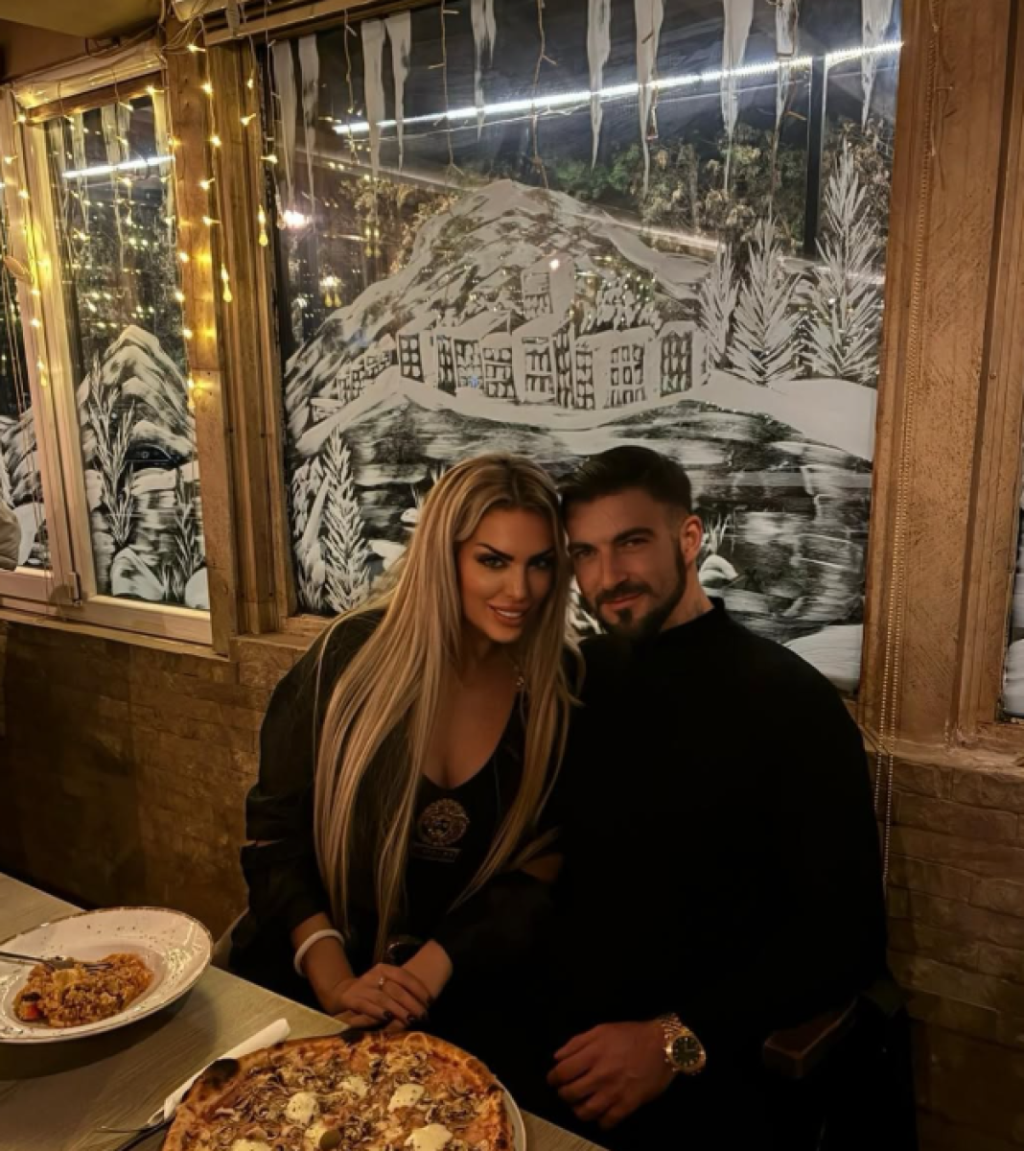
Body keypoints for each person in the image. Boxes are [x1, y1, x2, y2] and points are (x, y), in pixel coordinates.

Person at [539, 445, 897, 1150]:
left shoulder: (790, 701)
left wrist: (674, 1040)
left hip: (719, 1064)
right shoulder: (577, 681)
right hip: (561, 1044)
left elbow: (848, 938)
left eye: (631, 542)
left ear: (689, 538)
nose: (607, 576)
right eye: (585, 552)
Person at [230, 453, 578, 1078]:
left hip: (467, 996)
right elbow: (274, 837)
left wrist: (428, 971)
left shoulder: (559, 686)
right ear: (444, 557)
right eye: (493, 561)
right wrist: (335, 980)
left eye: (541, 563)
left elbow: (543, 866)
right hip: (308, 983)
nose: (520, 591)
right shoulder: (347, 659)